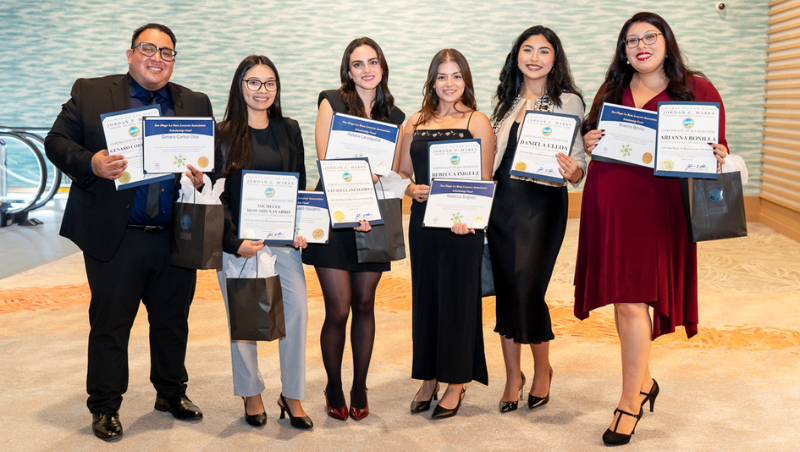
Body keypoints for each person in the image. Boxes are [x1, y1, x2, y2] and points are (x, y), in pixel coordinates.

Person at [44, 23, 213, 441]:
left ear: (174, 60)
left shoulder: (194, 101)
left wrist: (203, 177)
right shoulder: (92, 92)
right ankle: (105, 406)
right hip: (117, 234)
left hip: (175, 233)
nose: (157, 58)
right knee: (111, 323)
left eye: (167, 52)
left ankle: (171, 393)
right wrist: (91, 163)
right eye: (148, 49)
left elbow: (214, 160)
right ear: (130, 53)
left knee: (173, 321)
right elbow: (56, 141)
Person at [575, 12, 729, 446]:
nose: (640, 45)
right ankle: (642, 383)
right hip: (612, 205)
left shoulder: (696, 88)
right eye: (630, 40)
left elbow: (717, 144)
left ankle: (629, 401)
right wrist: (589, 139)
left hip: (661, 208)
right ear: (623, 50)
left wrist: (719, 153)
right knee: (626, 302)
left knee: (633, 300)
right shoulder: (613, 89)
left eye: (649, 37)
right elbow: (593, 134)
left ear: (666, 42)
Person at [301, 37, 405, 421]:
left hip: (372, 215)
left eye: (372, 62)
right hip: (333, 212)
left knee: (365, 304)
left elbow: (394, 172)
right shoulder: (331, 101)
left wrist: (386, 180)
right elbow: (326, 157)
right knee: (339, 309)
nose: (366, 70)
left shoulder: (395, 115)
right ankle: (333, 383)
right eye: (357, 63)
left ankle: (360, 384)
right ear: (348, 70)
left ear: (382, 66)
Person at [488, 25, 586, 413]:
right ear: (517, 57)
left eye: (543, 51)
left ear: (554, 58)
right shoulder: (504, 101)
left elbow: (579, 160)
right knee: (506, 289)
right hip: (501, 205)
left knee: (528, 289)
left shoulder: (569, 101)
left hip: (543, 206)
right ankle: (513, 376)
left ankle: (543, 369)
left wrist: (574, 172)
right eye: (527, 50)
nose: (534, 57)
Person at [214, 55, 312, 429]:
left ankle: (293, 394)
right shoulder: (222, 134)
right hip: (239, 243)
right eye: (253, 82)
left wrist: (303, 226)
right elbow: (216, 196)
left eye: (269, 83)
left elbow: (299, 185)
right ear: (240, 87)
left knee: (297, 312)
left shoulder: (289, 129)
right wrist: (232, 241)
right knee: (243, 321)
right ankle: (251, 393)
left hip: (283, 242)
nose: (262, 90)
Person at [397, 48, 494, 419]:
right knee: (426, 298)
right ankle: (428, 375)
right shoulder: (414, 122)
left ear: (465, 80)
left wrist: (467, 216)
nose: (449, 83)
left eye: (456, 76)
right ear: (432, 81)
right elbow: (403, 172)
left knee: (458, 299)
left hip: (461, 227)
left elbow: (484, 181)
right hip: (423, 222)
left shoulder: (477, 122)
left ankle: (456, 381)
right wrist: (409, 190)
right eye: (442, 76)